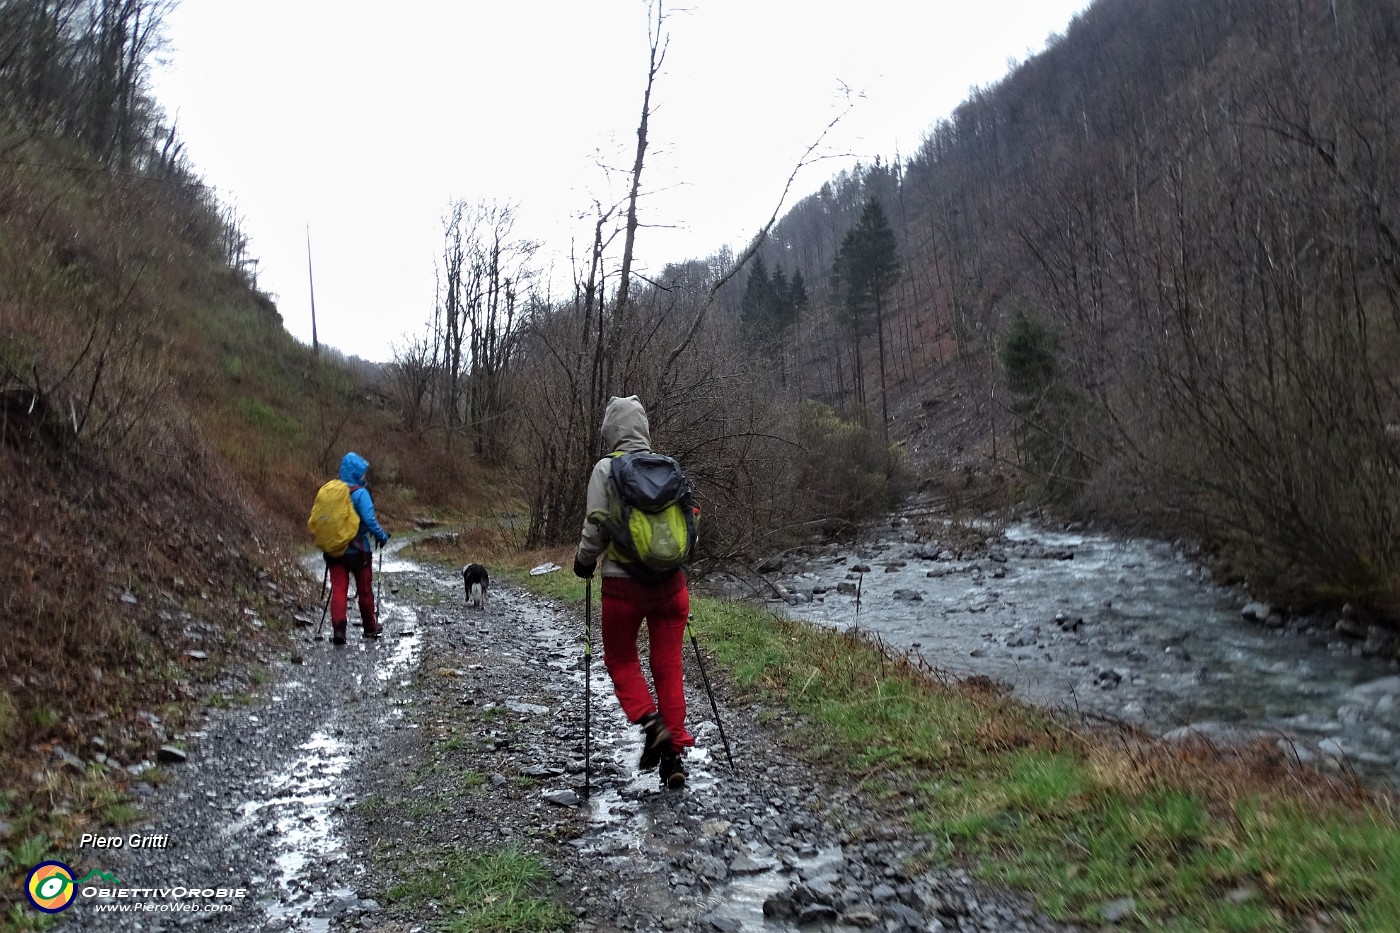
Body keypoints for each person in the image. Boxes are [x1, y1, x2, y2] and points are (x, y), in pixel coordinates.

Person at [574, 396, 693, 789]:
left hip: (623, 584)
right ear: (643, 429)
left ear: (611, 431)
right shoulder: (668, 468)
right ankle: (673, 755)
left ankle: (651, 723)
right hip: (671, 586)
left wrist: (583, 561)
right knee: (668, 667)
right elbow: (690, 525)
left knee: (622, 658)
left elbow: (596, 527)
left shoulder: (606, 469)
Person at [326, 451, 390, 645]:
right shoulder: (360, 494)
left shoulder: (331, 491)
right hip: (358, 551)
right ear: (355, 472)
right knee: (364, 590)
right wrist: (382, 536)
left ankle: (339, 631)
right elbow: (369, 520)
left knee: (338, 589)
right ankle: (370, 627)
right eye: (361, 472)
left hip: (334, 550)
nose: (363, 476)